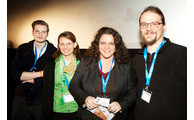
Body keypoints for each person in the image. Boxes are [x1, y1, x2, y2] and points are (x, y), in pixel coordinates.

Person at [69, 27, 137, 120]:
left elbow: (133, 90)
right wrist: (85, 98)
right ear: (97, 44)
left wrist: (121, 104)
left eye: (111, 43)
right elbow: (73, 85)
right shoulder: (86, 62)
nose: (106, 47)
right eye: (103, 43)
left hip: (115, 117)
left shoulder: (126, 65)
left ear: (116, 46)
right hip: (89, 117)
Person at [132, 6, 187, 120]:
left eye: (154, 23)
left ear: (164, 27)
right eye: (144, 24)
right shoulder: (137, 58)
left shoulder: (182, 54)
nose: (149, 28)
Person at [11, 20, 57, 120]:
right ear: (32, 32)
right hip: (20, 100)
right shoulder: (22, 48)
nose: (40, 34)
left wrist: (28, 78)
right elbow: (15, 76)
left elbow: (51, 79)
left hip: (41, 102)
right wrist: (41, 74)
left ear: (47, 34)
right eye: (37, 31)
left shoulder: (54, 52)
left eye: (43, 32)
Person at [41, 31, 81, 120]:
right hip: (56, 111)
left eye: (69, 44)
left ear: (75, 44)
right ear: (58, 46)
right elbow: (46, 90)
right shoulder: (51, 65)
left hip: (77, 111)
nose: (65, 47)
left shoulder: (82, 65)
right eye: (62, 44)